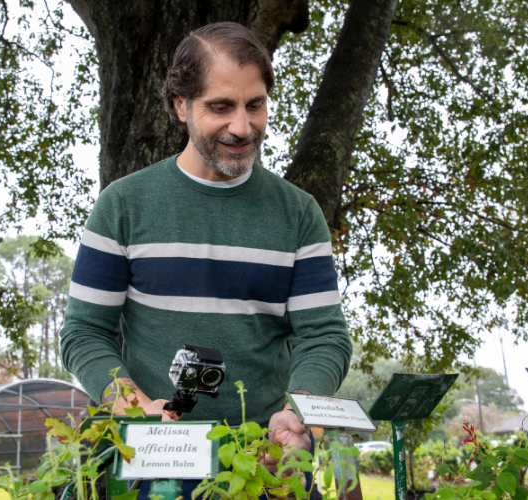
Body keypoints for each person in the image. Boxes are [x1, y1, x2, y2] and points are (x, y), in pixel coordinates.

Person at [60, 21, 352, 496]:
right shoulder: (123, 206)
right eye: (221, 107)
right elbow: (84, 331)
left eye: (254, 105)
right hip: (152, 462)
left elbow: (324, 338)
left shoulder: (299, 213)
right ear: (180, 105)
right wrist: (127, 400)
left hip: (261, 463)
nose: (243, 126)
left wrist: (298, 411)